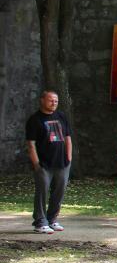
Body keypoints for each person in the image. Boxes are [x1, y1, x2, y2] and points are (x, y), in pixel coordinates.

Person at [26, 90, 72, 234]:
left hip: (62, 162)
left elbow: (68, 138)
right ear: (42, 100)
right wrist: (36, 164)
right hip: (44, 164)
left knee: (59, 191)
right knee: (42, 191)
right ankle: (40, 222)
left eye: (56, 101)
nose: (54, 103)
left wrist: (69, 158)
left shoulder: (61, 116)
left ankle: (52, 219)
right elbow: (30, 144)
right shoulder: (35, 120)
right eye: (51, 100)